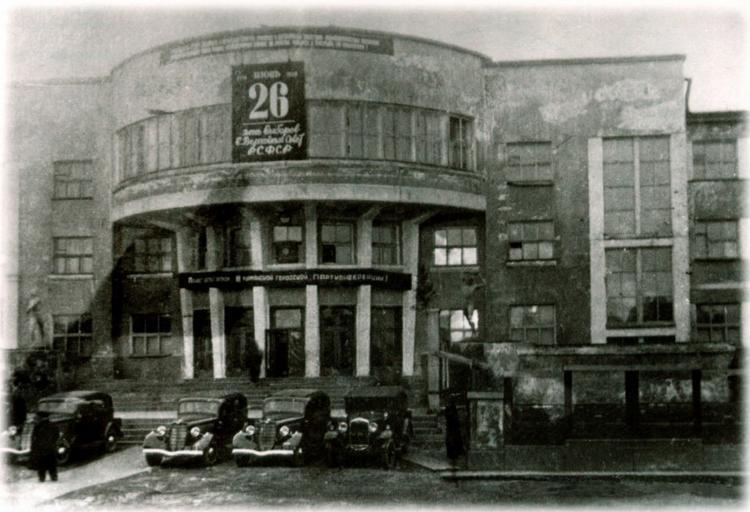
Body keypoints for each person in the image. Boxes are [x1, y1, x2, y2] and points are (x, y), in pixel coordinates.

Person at [29, 411, 59, 482]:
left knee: (41, 463)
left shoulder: (37, 427)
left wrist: (34, 446)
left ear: (41, 418)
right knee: (51, 463)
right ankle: (53, 476)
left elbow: (34, 438)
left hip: (41, 448)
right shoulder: (53, 425)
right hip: (50, 448)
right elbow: (56, 436)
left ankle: (42, 478)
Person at [444, 398, 465, 468]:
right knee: (452, 443)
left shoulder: (450, 411)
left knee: (453, 443)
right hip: (453, 430)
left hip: (453, 430)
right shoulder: (451, 411)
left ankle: (453, 457)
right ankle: (453, 457)